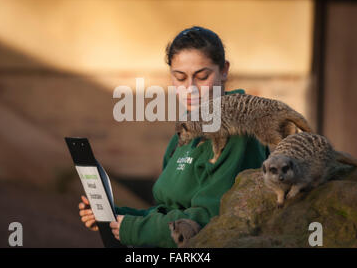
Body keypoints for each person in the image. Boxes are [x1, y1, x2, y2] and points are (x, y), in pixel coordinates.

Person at [78, 26, 270, 247]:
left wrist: (134, 229)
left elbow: (212, 220)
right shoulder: (186, 132)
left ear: (224, 71)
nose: (190, 89)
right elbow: (169, 211)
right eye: (180, 78)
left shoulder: (238, 135)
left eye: (202, 77)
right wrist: (114, 217)